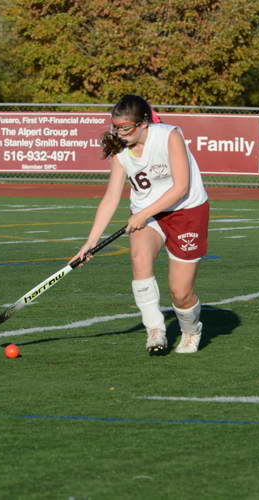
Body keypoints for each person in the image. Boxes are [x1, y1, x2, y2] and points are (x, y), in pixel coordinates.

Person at [70, 94, 209, 355]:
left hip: (187, 210)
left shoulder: (169, 136)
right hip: (149, 214)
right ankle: (155, 330)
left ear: (144, 123)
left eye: (125, 128)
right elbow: (111, 197)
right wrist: (90, 242)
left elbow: (181, 187)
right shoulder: (120, 151)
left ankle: (191, 330)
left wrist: (143, 213)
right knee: (139, 259)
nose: (120, 133)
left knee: (180, 293)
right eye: (116, 127)